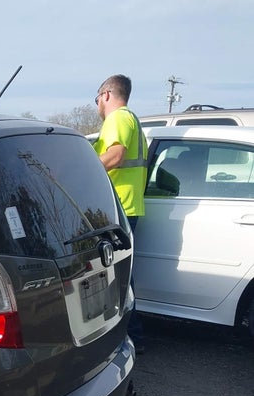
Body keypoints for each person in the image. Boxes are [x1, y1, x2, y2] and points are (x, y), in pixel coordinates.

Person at [93, 74, 148, 353]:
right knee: (123, 275)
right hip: (129, 206)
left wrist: (86, 170)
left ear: (106, 95)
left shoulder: (118, 119)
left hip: (118, 208)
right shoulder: (133, 121)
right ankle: (134, 334)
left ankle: (130, 337)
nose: (98, 107)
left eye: (97, 100)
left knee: (116, 277)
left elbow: (115, 155)